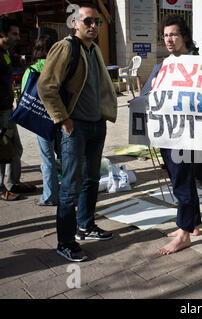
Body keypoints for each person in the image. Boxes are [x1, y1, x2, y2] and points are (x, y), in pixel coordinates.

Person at [142, 15, 202, 255]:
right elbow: (147, 94)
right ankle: (193, 225)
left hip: (188, 135)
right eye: (166, 35)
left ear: (184, 36)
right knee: (179, 178)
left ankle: (183, 233)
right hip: (166, 131)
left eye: (174, 34)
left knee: (182, 181)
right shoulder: (163, 66)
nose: (169, 39)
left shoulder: (200, 65)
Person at [38, 4, 117, 262]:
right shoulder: (66, 47)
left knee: (91, 179)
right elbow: (46, 87)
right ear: (75, 23)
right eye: (88, 21)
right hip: (76, 126)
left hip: (96, 124)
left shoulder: (93, 49)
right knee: (70, 186)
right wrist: (63, 120)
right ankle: (66, 241)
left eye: (97, 22)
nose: (93, 26)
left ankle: (86, 225)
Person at [0, 15, 37, 201]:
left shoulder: (5, 53)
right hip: (0, 111)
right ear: (2, 34)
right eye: (14, 34)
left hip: (7, 108)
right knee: (4, 148)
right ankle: (2, 188)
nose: (18, 37)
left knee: (15, 148)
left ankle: (12, 183)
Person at [21, 34, 59, 206]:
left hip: (41, 120)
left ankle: (50, 196)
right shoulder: (60, 67)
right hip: (62, 117)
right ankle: (69, 194)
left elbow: (24, 96)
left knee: (47, 159)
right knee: (66, 157)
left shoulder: (32, 70)